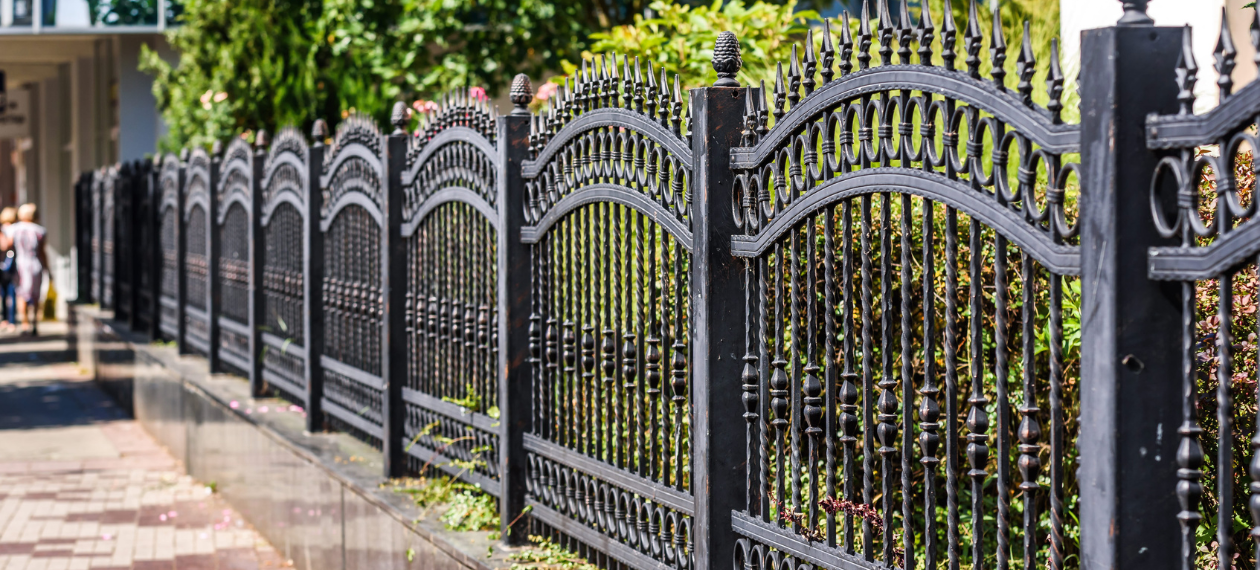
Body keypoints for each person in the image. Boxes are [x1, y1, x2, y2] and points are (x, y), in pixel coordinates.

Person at [0, 203, 47, 336]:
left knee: (21, 294)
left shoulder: (14, 229)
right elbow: (42, 252)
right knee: (36, 294)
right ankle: (35, 323)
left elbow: (5, 246)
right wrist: (46, 267)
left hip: (20, 263)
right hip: (35, 263)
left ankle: (25, 324)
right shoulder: (40, 230)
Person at [0, 207, 14, 332]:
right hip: (10, 264)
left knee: (5, 293)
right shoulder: (13, 229)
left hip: (4, 264)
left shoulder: (4, 230)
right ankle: (11, 321)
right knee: (11, 293)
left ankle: (6, 319)